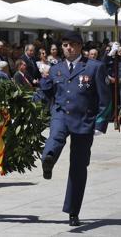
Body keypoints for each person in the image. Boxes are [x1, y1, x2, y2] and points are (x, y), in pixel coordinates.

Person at [41, 31, 111, 226]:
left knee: (78, 167)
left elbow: (105, 99)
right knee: (55, 136)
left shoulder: (94, 67)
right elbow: (45, 93)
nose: (68, 48)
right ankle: (48, 160)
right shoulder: (56, 68)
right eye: (65, 45)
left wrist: (100, 123)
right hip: (61, 114)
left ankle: (73, 210)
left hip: (84, 120)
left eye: (72, 44)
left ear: (80, 46)